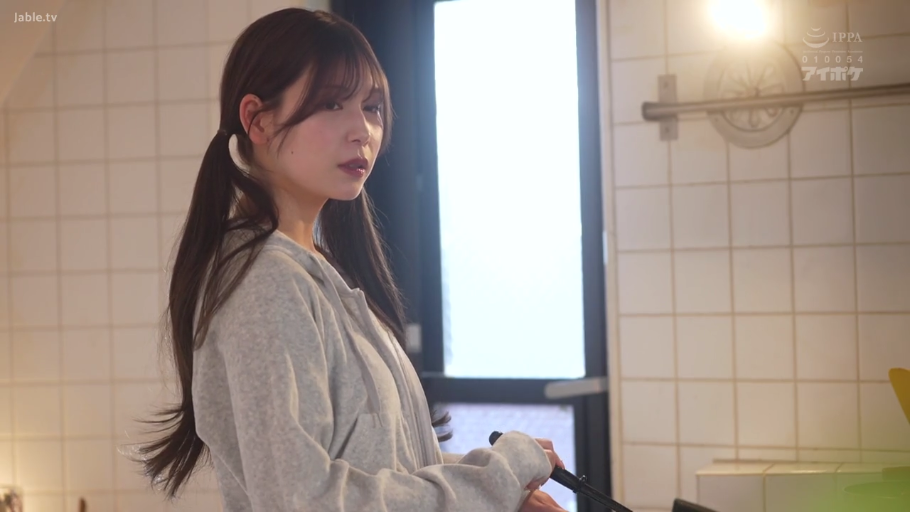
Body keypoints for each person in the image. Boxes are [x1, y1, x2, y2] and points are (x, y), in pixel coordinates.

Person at [133, 7, 568, 512]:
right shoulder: (266, 281)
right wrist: (498, 477)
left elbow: (381, 466)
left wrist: (500, 487)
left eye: (372, 107)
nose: (362, 129)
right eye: (332, 103)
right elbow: (306, 501)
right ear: (257, 119)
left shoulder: (314, 271)